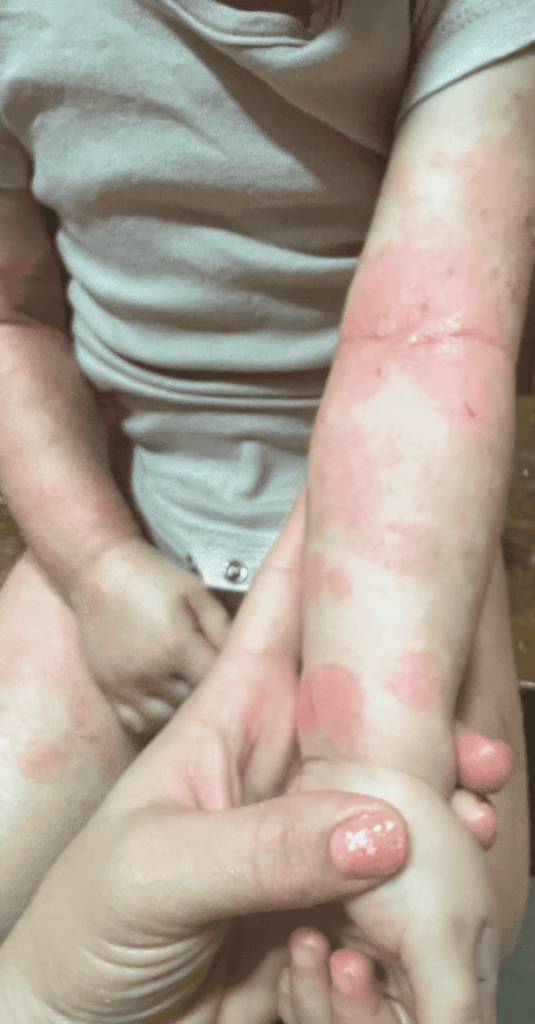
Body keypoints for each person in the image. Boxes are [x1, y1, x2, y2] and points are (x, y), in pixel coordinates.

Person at [0, 0, 533, 1019]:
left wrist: (369, 762)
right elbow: (11, 320)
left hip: (407, 535)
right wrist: (94, 562)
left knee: (419, 945)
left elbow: (425, 346)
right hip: (124, 509)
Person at [0, 496, 516, 1023]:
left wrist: (382, 767)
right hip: (134, 532)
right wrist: (95, 559)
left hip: (402, 531)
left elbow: (404, 460)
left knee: (457, 936)